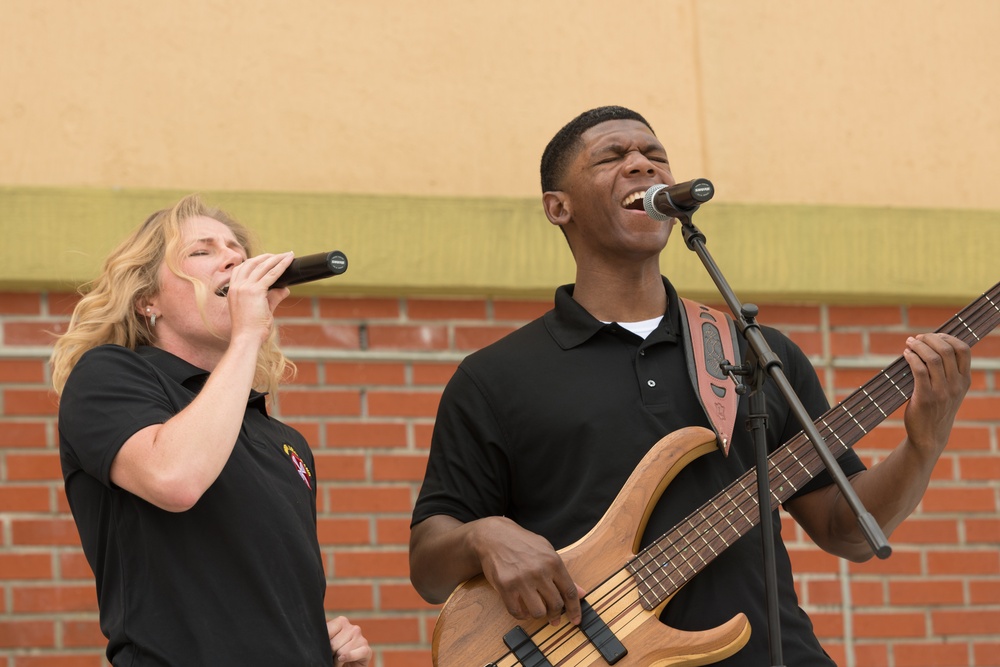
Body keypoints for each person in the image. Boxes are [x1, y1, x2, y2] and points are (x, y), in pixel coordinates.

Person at [408, 106, 972, 665]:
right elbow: (429, 566)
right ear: (559, 207)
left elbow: (845, 530)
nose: (642, 165)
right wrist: (482, 537)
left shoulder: (756, 353)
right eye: (613, 156)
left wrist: (925, 441)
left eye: (656, 157)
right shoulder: (495, 377)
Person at [51, 195, 372, 667]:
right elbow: (174, 478)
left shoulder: (284, 441)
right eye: (202, 252)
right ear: (147, 301)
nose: (232, 259)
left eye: (236, 252)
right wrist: (246, 336)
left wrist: (316, 645)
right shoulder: (107, 376)